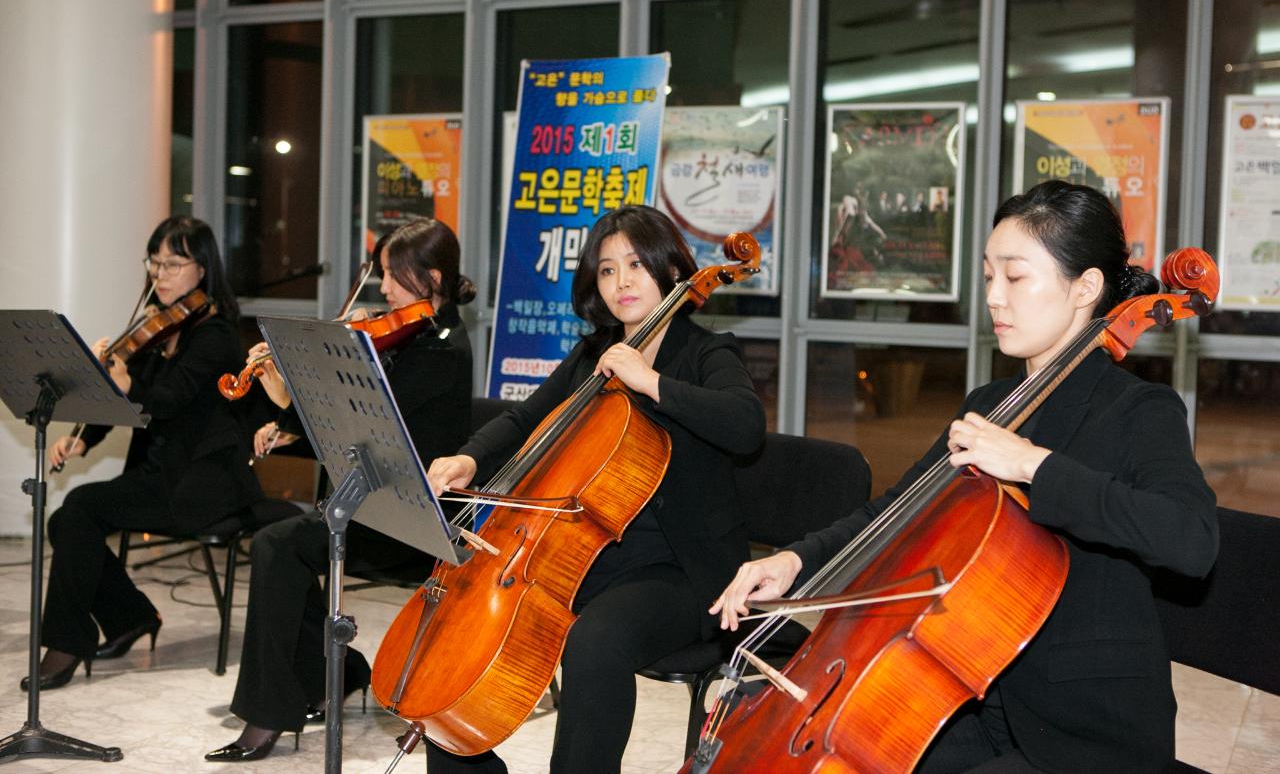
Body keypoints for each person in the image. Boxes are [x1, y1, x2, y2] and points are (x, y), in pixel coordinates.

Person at [712, 180, 1219, 773]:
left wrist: (1032, 464)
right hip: (972, 693)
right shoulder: (990, 402)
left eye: (1015, 277)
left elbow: (1192, 539)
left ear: (1085, 288)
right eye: (987, 277)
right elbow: (895, 512)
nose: (994, 299)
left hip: (1084, 726)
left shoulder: (1139, 411)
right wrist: (795, 562)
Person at [423, 206, 765, 773]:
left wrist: (649, 381)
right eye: (607, 270)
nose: (622, 282)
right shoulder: (593, 355)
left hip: (682, 569)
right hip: (591, 552)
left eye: (636, 264)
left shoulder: (708, 352)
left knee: (594, 639)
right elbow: (527, 418)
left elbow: (745, 425)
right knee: (466, 618)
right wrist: (469, 457)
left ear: (670, 268)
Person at [205, 218, 476, 762]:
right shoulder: (408, 334)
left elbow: (367, 427)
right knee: (284, 544)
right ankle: (338, 671)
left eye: (395, 278)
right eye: (382, 276)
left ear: (433, 277)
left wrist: (290, 393)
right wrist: (289, 425)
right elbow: (354, 438)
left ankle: (270, 715)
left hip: (412, 522)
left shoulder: (441, 350)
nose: (385, 291)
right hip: (371, 504)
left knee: (280, 545)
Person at [31, 216, 261, 690]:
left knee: (77, 510)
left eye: (173, 264)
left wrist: (127, 381)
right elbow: (120, 401)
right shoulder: (156, 329)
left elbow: (171, 400)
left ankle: (70, 643)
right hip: (158, 473)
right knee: (67, 520)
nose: (160, 274)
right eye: (154, 263)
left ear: (202, 269)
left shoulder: (216, 336)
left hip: (202, 482)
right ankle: (132, 617)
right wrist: (83, 438)